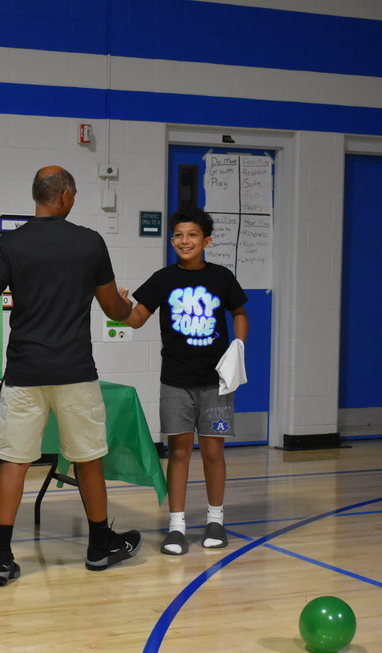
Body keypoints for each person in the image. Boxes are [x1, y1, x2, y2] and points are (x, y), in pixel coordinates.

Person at [0, 165, 141, 586]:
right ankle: (100, 546)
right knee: (87, 458)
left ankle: (0, 557)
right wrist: (125, 304)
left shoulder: (10, 244)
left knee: (14, 462)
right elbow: (114, 311)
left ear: (37, 197)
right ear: (64, 196)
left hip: (25, 373)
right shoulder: (90, 243)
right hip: (75, 371)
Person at [120, 207, 248, 555]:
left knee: (212, 450)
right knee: (178, 452)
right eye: (178, 235)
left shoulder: (221, 277)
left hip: (216, 384)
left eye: (192, 235)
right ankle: (176, 525)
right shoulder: (163, 279)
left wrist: (238, 345)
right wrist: (119, 306)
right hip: (175, 383)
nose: (184, 241)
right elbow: (134, 319)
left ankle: (215, 520)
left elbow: (239, 313)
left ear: (206, 240)